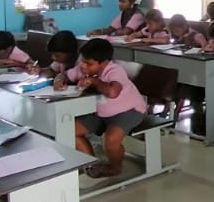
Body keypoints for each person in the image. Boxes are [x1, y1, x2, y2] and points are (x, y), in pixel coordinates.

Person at [53, 39, 148, 178]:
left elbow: (113, 92)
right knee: (68, 131)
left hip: (128, 111)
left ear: (104, 63)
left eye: (89, 63)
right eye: (82, 61)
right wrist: (59, 80)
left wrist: (94, 81)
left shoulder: (114, 70)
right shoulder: (82, 68)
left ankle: (115, 168)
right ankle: (91, 164)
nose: (83, 66)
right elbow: (64, 75)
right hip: (101, 112)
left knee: (110, 141)